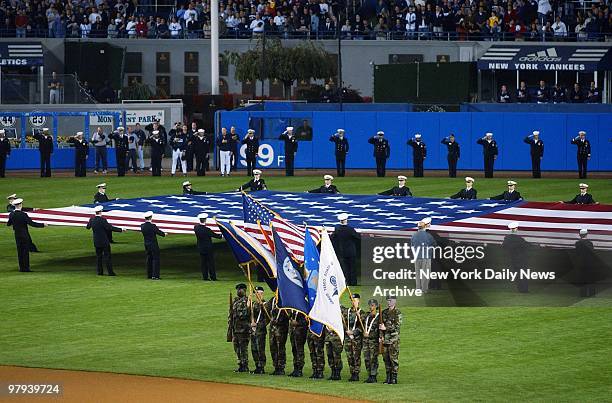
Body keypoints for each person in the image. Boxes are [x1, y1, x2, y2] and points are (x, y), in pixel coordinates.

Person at [7, 198, 46, 272]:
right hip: (24, 235)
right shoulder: (23, 214)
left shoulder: (12, 214)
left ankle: (21, 268)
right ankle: (26, 268)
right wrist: (43, 225)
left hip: (17, 235)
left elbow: (8, 224)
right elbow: (32, 224)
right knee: (25, 252)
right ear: (20, 205)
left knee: (20, 252)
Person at [86, 205, 123, 276]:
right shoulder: (103, 220)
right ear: (100, 212)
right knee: (107, 256)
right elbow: (110, 228)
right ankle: (110, 272)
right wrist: (120, 229)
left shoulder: (92, 219)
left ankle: (100, 272)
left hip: (96, 241)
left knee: (98, 257)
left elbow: (88, 227)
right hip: (104, 241)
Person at [331, 213, 360, 286]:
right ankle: (353, 283)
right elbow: (357, 237)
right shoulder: (350, 229)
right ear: (346, 220)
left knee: (345, 268)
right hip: (351, 251)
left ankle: (347, 282)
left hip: (342, 251)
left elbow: (332, 237)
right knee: (352, 268)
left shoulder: (337, 229)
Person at [502, 222, 530, 293]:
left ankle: (520, 289)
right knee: (523, 275)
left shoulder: (507, 238)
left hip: (512, 259)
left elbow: (503, 247)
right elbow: (527, 246)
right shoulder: (519, 239)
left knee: (517, 275)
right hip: (521, 259)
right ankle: (524, 289)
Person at [411, 217, 437, 293]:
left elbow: (412, 245)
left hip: (417, 257)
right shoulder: (428, 235)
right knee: (425, 274)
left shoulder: (414, 235)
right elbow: (434, 244)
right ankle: (424, 289)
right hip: (426, 256)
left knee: (418, 274)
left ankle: (418, 288)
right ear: (425, 226)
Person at [380, 296, 402, 384]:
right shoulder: (384, 312)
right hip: (385, 340)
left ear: (394, 301)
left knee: (393, 359)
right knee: (386, 359)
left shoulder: (397, 313)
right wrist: (381, 336)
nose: (388, 302)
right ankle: (388, 377)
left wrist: (386, 328)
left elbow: (397, 326)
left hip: (393, 340)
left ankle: (394, 378)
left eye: (390, 300)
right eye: (387, 300)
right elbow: (380, 326)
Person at [265, 295, 289, 375]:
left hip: (281, 328)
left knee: (280, 348)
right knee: (273, 347)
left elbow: (288, 314)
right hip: (272, 329)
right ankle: (276, 367)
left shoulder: (286, 299)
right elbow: (267, 310)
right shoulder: (273, 300)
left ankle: (281, 367)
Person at [343, 294, 364, 382]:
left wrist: (354, 332)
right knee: (349, 356)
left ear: (358, 301)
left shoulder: (361, 312)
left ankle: (356, 373)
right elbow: (342, 321)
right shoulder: (346, 311)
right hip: (347, 338)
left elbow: (362, 326)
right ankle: (352, 373)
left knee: (356, 356)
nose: (353, 302)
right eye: (352, 300)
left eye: (355, 300)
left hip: (357, 339)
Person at [194, 213, 222, 280]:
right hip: (208, 249)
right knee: (210, 263)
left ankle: (205, 277)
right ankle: (213, 277)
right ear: (205, 220)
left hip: (201, 248)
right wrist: (222, 234)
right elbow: (216, 236)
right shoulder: (207, 230)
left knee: (203, 263)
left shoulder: (196, 228)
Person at [230, 283, 251, 372]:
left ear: (245, 291)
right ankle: (240, 364)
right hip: (235, 329)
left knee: (243, 348)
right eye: (238, 289)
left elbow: (244, 315)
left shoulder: (246, 301)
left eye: (240, 289)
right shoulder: (235, 301)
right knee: (236, 348)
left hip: (243, 329)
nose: (239, 291)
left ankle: (245, 365)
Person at [140, 211, 166, 280]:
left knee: (149, 259)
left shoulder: (142, 226)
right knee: (156, 259)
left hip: (146, 244)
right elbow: (159, 232)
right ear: (151, 217)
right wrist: (164, 234)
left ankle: (149, 274)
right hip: (153, 245)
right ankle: (155, 275)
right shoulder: (152, 226)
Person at [250, 286, 268, 374]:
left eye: (260, 293)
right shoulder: (252, 304)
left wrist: (258, 324)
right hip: (252, 330)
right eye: (256, 293)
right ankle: (257, 365)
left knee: (260, 349)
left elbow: (268, 318)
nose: (258, 295)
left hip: (260, 330)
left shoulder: (265, 305)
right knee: (254, 349)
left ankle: (261, 367)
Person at [363, 298, 380, 383]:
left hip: (373, 342)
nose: (371, 307)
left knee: (373, 359)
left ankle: (373, 375)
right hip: (366, 341)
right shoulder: (367, 316)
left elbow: (379, 331)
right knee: (367, 358)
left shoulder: (378, 317)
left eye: (372, 305)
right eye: (370, 305)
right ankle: (369, 374)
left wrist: (370, 335)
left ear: (376, 306)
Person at [575, 229, 596, 297]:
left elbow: (577, 254)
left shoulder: (577, 243)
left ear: (580, 235)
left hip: (581, 264)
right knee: (591, 279)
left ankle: (583, 294)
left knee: (582, 279)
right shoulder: (590, 243)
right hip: (590, 264)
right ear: (587, 234)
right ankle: (591, 294)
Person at [288, 311, 308, 377]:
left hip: (300, 332)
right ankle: (295, 368)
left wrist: (298, 323)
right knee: (294, 350)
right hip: (293, 332)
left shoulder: (303, 308)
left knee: (299, 351)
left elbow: (306, 321)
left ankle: (299, 370)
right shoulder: (293, 309)